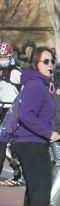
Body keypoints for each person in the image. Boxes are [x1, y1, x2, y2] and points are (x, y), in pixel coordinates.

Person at [14, 47, 59, 206]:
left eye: (52, 60)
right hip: (30, 143)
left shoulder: (42, 85)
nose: (50, 65)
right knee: (41, 189)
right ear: (36, 64)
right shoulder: (35, 86)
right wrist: (47, 133)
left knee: (35, 189)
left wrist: (49, 133)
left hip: (34, 142)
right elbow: (26, 115)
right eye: (45, 61)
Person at [0, 41, 23, 186]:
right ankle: (16, 169)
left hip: (11, 110)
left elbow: (26, 89)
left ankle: (18, 170)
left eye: (4, 57)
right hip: (1, 108)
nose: (2, 60)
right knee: (2, 143)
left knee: (7, 143)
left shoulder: (15, 72)